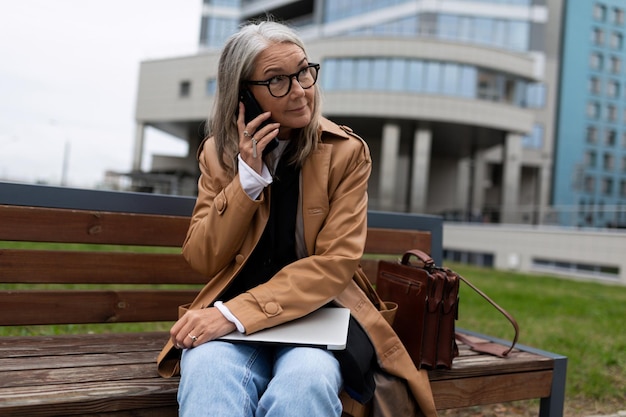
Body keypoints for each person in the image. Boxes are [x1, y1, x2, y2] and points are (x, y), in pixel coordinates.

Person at [156, 19, 438, 417]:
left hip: (316, 316)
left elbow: (335, 264)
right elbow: (202, 258)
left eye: (303, 71)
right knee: (206, 373)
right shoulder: (218, 154)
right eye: (277, 81)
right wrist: (246, 181)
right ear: (244, 96)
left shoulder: (345, 153)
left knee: (307, 383)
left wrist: (232, 315)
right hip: (230, 323)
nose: (301, 90)